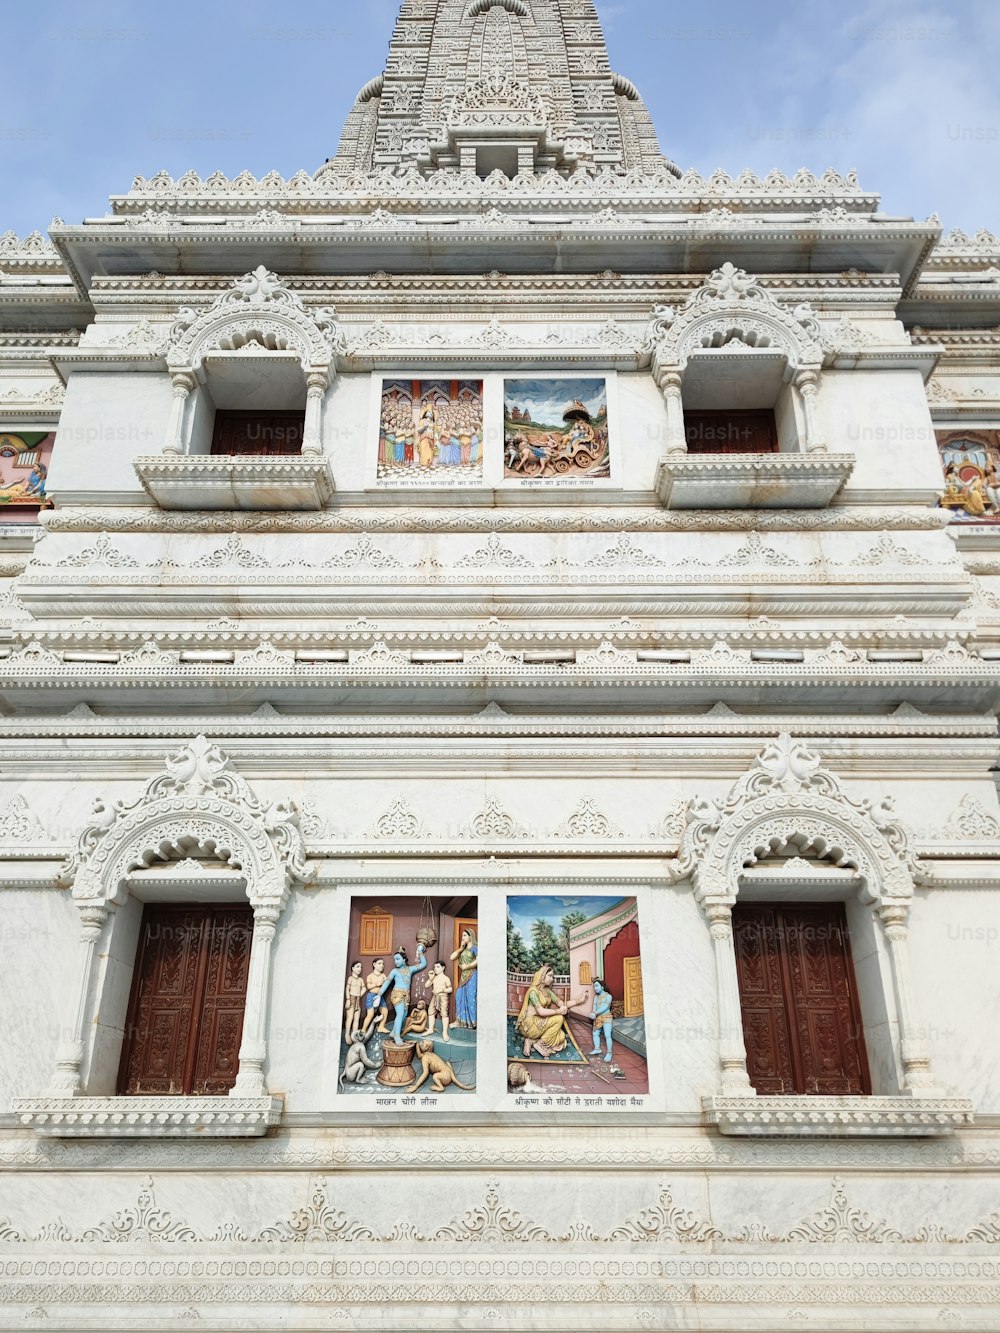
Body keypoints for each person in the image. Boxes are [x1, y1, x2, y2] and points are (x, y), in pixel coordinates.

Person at [515, 964, 587, 1059]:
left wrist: (580, 1001)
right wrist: (558, 1011)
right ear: (542, 976)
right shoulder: (533, 991)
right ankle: (540, 1044)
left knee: (561, 1036)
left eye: (552, 976)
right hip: (529, 1025)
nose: (552, 979)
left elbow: (562, 1004)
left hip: (539, 1021)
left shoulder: (547, 991)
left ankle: (531, 1041)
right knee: (560, 1018)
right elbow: (541, 1011)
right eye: (550, 976)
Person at [375, 943, 427, 1046]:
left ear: (404, 960)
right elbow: (387, 982)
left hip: (406, 995)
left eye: (398, 959)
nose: (395, 961)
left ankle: (394, 1032)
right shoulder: (394, 971)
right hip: (397, 994)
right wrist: (379, 994)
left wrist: (420, 951)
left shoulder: (410, 969)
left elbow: (423, 964)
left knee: (404, 1014)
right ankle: (397, 1037)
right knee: (400, 1014)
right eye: (395, 959)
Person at [450, 928, 478, 1028]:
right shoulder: (463, 950)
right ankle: (459, 1021)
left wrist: (468, 966)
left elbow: (479, 960)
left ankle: (473, 1022)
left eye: (465, 935)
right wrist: (460, 949)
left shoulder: (474, 948)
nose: (463, 937)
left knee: (471, 998)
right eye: (462, 935)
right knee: (459, 996)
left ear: (470, 937)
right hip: (463, 976)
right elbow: (452, 957)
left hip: (472, 975)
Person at [360, 958, 391, 1037]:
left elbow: (387, 982)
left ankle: (381, 1026)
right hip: (371, 996)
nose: (382, 965)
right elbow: (369, 986)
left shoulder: (383, 975)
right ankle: (363, 1029)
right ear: (374, 964)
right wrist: (377, 984)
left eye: (383, 964)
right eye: (379, 963)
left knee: (385, 1011)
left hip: (380, 996)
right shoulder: (370, 976)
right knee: (370, 1014)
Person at [425, 961, 453, 1040]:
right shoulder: (434, 978)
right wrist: (430, 978)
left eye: (438, 967)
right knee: (430, 1012)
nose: (435, 969)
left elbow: (450, 989)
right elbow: (426, 985)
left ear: (443, 968)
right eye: (434, 967)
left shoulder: (446, 978)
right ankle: (430, 1029)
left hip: (443, 997)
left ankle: (444, 1032)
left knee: (444, 1013)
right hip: (435, 997)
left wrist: (441, 990)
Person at [587, 979, 614, 1063]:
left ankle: (609, 1053)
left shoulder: (608, 996)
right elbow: (594, 1006)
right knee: (595, 1033)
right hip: (598, 1017)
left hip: (606, 1017)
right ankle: (597, 1049)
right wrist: (592, 1013)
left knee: (607, 1034)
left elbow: (605, 1007)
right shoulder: (596, 997)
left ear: (602, 987)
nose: (595, 988)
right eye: (594, 986)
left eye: (597, 986)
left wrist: (595, 1013)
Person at [344, 960, 366, 1041]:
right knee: (350, 1018)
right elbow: (347, 989)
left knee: (357, 1018)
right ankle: (347, 1035)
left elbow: (364, 987)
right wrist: (348, 999)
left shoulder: (360, 979)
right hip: (351, 999)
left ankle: (354, 1035)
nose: (360, 969)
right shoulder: (350, 978)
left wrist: (360, 994)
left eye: (360, 967)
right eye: (357, 967)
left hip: (358, 1000)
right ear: (352, 968)